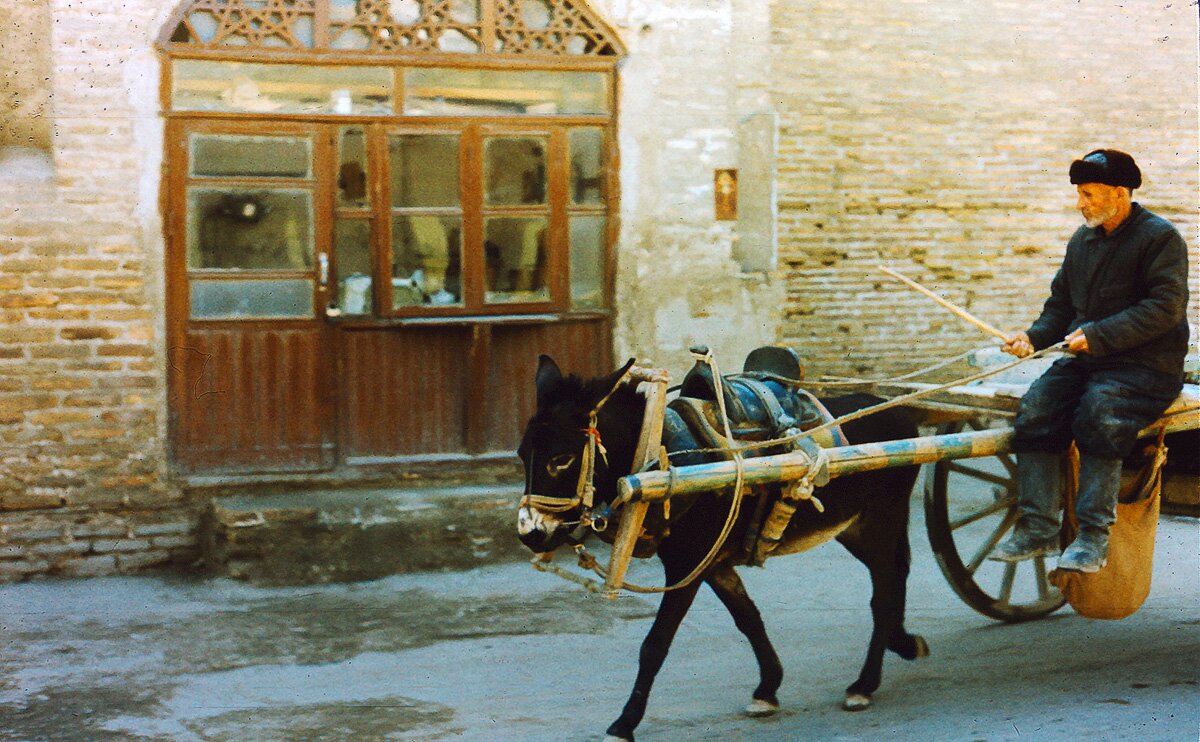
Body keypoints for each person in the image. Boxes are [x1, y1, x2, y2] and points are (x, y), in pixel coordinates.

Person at [991, 149, 1190, 573]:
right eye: (1079, 194)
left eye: (1088, 194)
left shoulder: (1160, 238)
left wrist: (1099, 335)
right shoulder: (1082, 240)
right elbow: (1060, 305)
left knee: (1101, 413)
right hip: (1088, 361)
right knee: (1036, 409)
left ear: (1119, 194)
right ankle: (1038, 528)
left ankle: (1093, 537)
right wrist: (1033, 336)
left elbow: (1164, 308)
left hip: (1145, 367)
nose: (1080, 203)